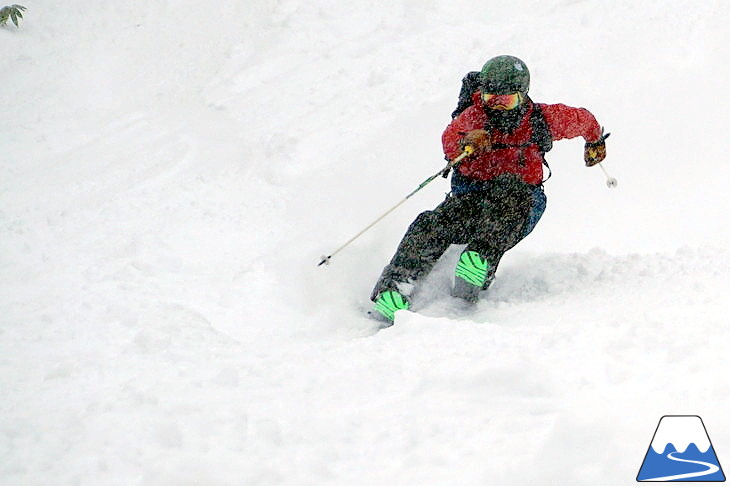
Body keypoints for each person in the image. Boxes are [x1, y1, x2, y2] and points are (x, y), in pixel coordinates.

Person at [371, 55, 609, 322]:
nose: (498, 107)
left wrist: (595, 142)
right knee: (431, 224)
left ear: (523, 95)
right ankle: (396, 287)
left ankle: (479, 261)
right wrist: (466, 143)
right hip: (472, 198)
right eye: (490, 98)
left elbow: (584, 120)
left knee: (508, 194)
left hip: (523, 200)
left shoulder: (542, 119)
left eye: (506, 100)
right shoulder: (472, 118)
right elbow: (450, 140)